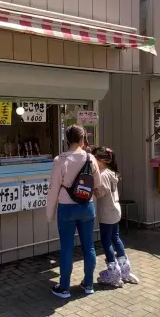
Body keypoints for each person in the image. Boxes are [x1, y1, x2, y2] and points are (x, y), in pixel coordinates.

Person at [45, 125, 104, 298]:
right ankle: (88, 284)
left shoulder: (60, 160)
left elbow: (53, 189)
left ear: (67, 139)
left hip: (66, 208)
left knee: (67, 248)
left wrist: (50, 213)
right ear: (82, 139)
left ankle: (64, 288)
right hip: (87, 207)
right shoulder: (90, 158)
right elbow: (97, 185)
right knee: (89, 247)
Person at [91, 147, 139, 287]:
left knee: (106, 241)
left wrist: (91, 188)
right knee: (116, 238)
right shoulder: (112, 173)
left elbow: (100, 193)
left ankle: (113, 271)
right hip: (115, 209)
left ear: (101, 161)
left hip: (107, 211)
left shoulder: (103, 174)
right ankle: (124, 269)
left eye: (94, 160)